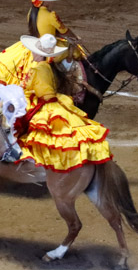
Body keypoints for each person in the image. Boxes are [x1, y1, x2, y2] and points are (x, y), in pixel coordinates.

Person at [13, 34, 111, 170]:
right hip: (56, 101)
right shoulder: (48, 66)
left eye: (33, 51)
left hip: (46, 102)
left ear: (39, 53)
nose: (32, 53)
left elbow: (43, 93)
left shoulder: (38, 69)